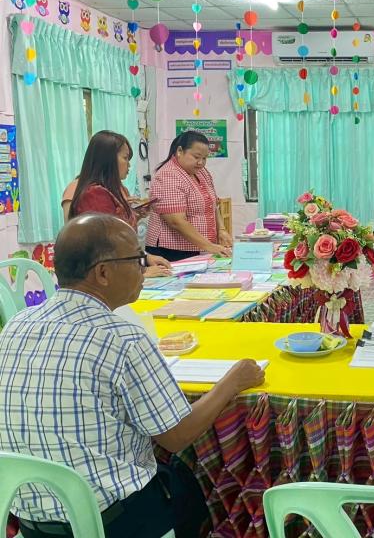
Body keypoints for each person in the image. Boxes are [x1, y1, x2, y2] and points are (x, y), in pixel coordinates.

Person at [0, 214, 265, 538]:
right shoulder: (122, 338)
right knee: (195, 488)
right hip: (111, 523)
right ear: (103, 273)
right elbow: (177, 436)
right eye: (138, 260)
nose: (144, 269)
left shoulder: (17, 324)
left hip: (30, 522)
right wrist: (233, 381)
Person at [68, 130, 171, 278]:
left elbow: (122, 235)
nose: (129, 165)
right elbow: (106, 245)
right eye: (125, 158)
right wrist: (140, 272)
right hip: (104, 277)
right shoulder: (94, 194)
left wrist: (145, 258)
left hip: (119, 271)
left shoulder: (117, 190)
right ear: (107, 160)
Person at [146, 131, 232, 262]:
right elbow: (176, 221)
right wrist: (209, 246)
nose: (201, 162)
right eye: (196, 157)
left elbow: (213, 205)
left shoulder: (202, 172)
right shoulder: (168, 175)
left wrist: (221, 230)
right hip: (172, 252)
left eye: (205, 158)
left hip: (200, 248)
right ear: (180, 151)